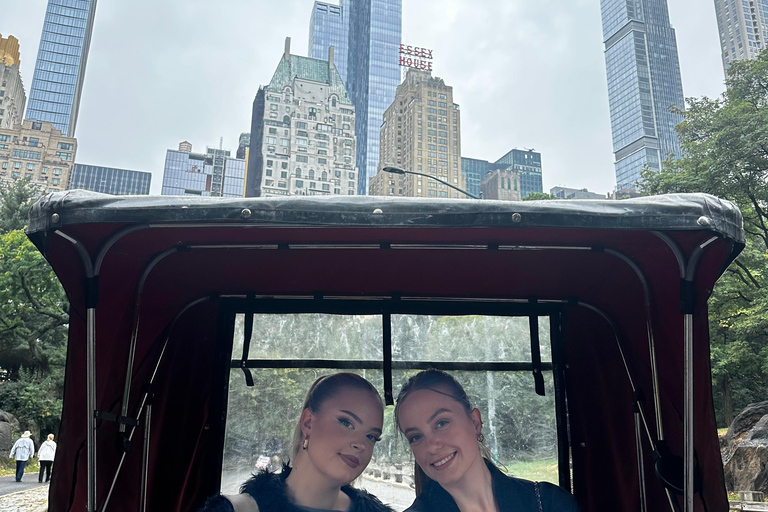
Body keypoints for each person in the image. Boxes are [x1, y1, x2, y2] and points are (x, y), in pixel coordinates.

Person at [200, 373, 392, 512]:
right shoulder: (235, 509)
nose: (362, 444)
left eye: (371, 436)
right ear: (308, 423)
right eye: (346, 422)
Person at [395, 370, 580, 512]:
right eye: (416, 437)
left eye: (442, 423)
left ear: (475, 422)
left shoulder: (549, 503)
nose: (432, 446)